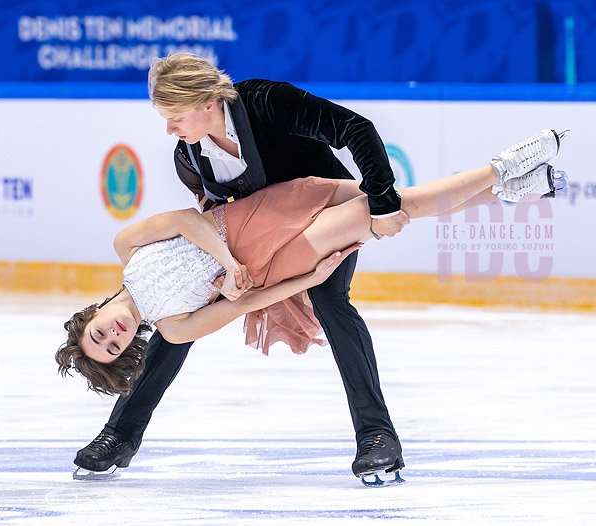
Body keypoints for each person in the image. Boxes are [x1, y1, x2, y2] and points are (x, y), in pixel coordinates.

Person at [70, 52, 567, 484]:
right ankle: (120, 435)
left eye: (173, 116)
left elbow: (355, 129)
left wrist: (382, 199)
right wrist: (237, 278)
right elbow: (204, 224)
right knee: (172, 322)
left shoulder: (264, 101)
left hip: (314, 199)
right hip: (265, 247)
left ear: (203, 101)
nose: (169, 130)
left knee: (332, 299)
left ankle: (376, 434)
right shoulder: (188, 158)